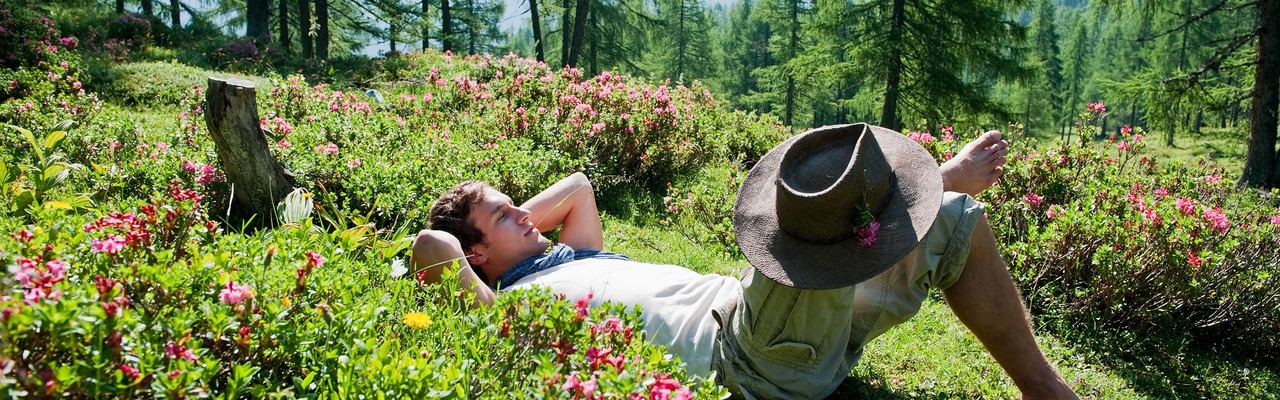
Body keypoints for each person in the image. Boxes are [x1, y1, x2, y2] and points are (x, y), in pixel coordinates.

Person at [411, 124, 1078, 399]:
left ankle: (1046, 392)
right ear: (476, 254)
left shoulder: (569, 256)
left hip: (799, 330)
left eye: (518, 205)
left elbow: (581, 185)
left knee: (955, 222)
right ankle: (927, 184)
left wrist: (512, 226)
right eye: (504, 217)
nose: (526, 214)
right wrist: (488, 260)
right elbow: (428, 248)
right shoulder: (502, 311)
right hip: (747, 359)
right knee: (799, 239)